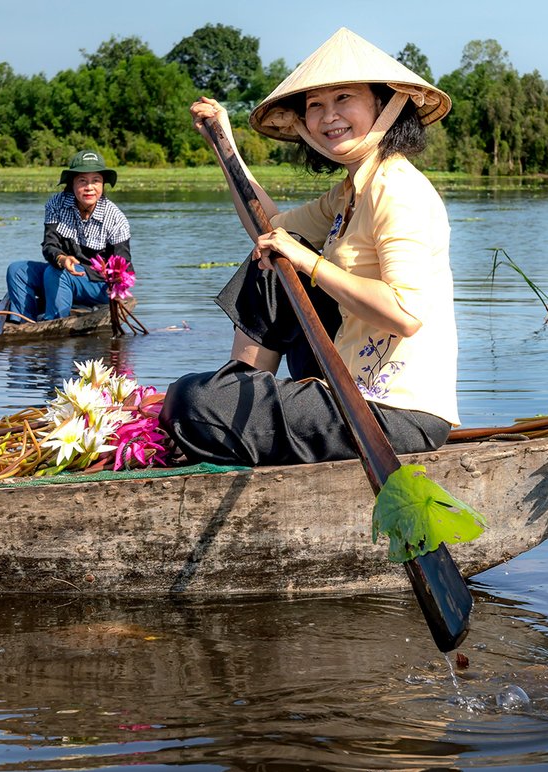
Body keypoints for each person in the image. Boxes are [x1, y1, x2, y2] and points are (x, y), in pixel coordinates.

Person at [159, 27, 459, 467]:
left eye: (343, 99)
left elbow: (406, 314)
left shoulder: (396, 188)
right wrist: (224, 146)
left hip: (394, 413)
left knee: (191, 400)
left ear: (385, 104)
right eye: (316, 105)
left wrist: (311, 262)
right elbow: (271, 230)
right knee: (276, 258)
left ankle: (232, 414)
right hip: (348, 392)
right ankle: (240, 399)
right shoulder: (350, 193)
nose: (328, 115)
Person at [0, 150, 132, 324]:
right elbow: (50, 244)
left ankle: (54, 323)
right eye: (82, 181)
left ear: (103, 185)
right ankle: (22, 323)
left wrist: (117, 283)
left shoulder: (115, 218)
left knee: (56, 273)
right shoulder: (57, 204)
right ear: (72, 184)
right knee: (17, 270)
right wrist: (62, 258)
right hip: (59, 272)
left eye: (96, 181)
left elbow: (125, 268)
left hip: (99, 286)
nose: (89, 187)